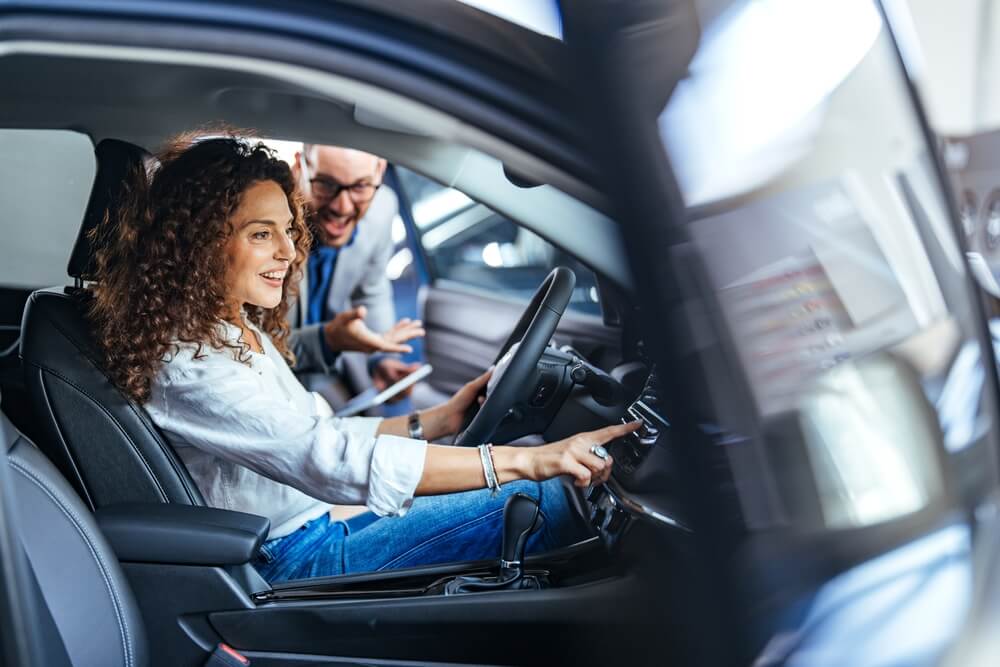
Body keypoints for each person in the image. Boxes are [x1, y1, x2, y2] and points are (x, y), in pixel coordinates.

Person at [87, 135, 640, 583]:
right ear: (198, 242)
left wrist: (440, 420)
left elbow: (318, 431)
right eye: (262, 234)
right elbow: (327, 456)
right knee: (541, 495)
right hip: (290, 556)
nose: (287, 251)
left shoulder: (230, 324)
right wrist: (528, 460)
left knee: (521, 485)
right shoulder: (189, 365)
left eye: (287, 229)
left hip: (312, 518)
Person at [288, 143, 422, 410]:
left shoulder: (383, 207)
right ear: (300, 166)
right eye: (325, 184)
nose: (342, 206)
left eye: (360, 186)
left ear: (380, 171)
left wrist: (381, 358)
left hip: (324, 370)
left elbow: (371, 289)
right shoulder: (268, 219)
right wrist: (328, 341)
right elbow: (256, 345)